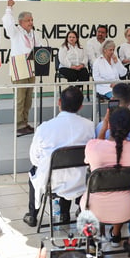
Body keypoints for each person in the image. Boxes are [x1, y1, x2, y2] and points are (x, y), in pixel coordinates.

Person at [23, 86, 95, 227]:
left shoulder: (45, 127)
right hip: (81, 182)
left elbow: (34, 158)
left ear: (59, 102)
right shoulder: (89, 126)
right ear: (81, 106)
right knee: (69, 169)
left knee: (35, 171)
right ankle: (64, 212)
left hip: (52, 183)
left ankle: (32, 215)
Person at [80, 107, 130, 247]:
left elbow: (94, 153)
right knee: (120, 190)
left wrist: (103, 130)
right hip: (127, 209)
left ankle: (93, 238)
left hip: (94, 209)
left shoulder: (93, 146)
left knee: (98, 193)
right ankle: (116, 235)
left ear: (109, 125)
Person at [2, 0, 42, 137]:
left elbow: (40, 48)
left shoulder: (35, 34)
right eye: (28, 20)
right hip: (19, 68)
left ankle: (25, 122)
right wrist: (9, 8)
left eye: (32, 20)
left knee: (28, 98)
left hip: (31, 67)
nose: (31, 22)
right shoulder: (15, 32)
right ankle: (19, 125)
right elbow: (7, 23)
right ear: (21, 22)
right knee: (20, 98)